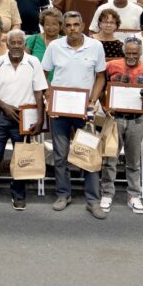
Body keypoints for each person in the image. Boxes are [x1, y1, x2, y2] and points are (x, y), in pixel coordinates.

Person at [41, 11, 107, 218]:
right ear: (63, 27)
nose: (72, 29)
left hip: (84, 110)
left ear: (83, 25)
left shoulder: (95, 46)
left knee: (88, 154)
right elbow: (43, 75)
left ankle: (93, 200)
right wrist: (48, 95)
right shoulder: (54, 47)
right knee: (60, 155)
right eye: (68, 25)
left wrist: (93, 100)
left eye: (76, 25)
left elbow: (100, 77)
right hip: (60, 110)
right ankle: (63, 194)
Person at [0, 29, 46, 210]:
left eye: (19, 43)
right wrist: (4, 107)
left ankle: (18, 194)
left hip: (25, 116)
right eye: (12, 43)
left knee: (21, 156)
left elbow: (39, 91)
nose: (15, 46)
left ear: (24, 45)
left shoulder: (33, 62)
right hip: (1, 115)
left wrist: (40, 117)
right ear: (8, 44)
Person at [99, 37, 143, 214]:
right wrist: (105, 106)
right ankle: (107, 193)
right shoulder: (111, 66)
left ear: (140, 53)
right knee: (110, 159)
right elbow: (100, 90)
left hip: (136, 120)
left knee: (133, 161)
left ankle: (134, 196)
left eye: (135, 53)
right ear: (124, 51)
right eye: (128, 52)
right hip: (115, 119)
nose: (131, 56)